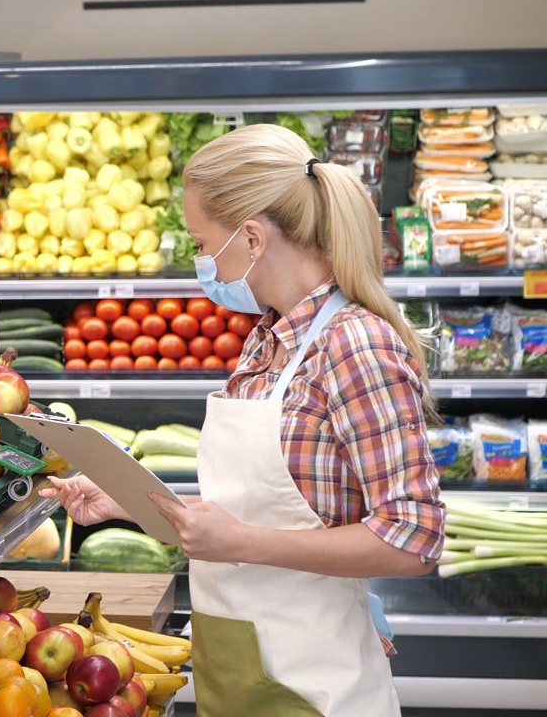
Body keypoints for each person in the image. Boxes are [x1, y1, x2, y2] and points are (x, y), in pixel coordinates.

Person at [41, 123, 444, 716]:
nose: (202, 262)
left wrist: (244, 543)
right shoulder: (267, 340)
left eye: (203, 245)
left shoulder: (354, 345)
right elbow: (260, 504)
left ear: (252, 238)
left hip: (313, 685)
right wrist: (128, 501)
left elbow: (415, 539)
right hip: (237, 668)